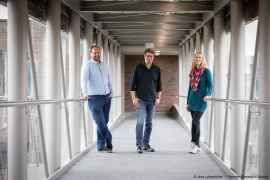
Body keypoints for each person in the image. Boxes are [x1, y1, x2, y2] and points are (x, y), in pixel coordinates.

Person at [81, 45, 114, 153]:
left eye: (98, 52)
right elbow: (84, 81)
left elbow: (108, 79)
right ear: (90, 54)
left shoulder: (104, 65)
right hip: (94, 99)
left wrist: (111, 91)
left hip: (106, 97)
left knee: (104, 121)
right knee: (100, 123)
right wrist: (85, 93)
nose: (97, 55)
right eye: (94, 53)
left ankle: (100, 146)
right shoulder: (87, 66)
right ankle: (109, 140)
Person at [130, 48, 162, 154]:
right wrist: (133, 99)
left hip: (152, 101)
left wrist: (158, 98)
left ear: (153, 57)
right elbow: (132, 85)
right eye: (147, 56)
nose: (149, 58)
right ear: (144, 56)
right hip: (141, 100)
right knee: (140, 123)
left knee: (149, 123)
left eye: (151, 56)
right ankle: (139, 145)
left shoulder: (156, 69)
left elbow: (159, 86)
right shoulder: (138, 68)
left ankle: (145, 144)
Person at [186, 52, 213, 154]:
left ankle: (192, 143)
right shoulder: (192, 72)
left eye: (200, 57)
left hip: (202, 101)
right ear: (194, 59)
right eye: (196, 57)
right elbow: (190, 89)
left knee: (194, 122)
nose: (198, 59)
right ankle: (198, 146)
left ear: (202, 59)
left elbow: (210, 86)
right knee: (196, 123)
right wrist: (188, 103)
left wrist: (208, 95)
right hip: (192, 101)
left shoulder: (206, 71)